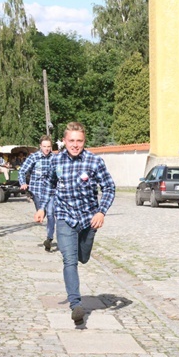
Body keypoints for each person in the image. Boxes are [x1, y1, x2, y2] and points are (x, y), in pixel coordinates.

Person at [34, 122, 115, 326]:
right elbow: (49, 185)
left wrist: (101, 211)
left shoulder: (94, 161)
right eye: (71, 140)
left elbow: (109, 188)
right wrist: (42, 207)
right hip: (65, 217)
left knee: (83, 257)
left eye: (79, 141)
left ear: (84, 141)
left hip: (88, 219)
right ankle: (75, 305)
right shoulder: (56, 161)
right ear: (64, 141)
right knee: (69, 260)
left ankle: (82, 252)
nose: (75, 145)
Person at [19, 136, 56, 251]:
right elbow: (22, 171)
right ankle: (40, 213)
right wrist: (23, 182)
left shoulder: (55, 158)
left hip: (50, 191)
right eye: (44, 146)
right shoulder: (33, 157)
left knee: (51, 213)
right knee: (42, 213)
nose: (46, 149)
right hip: (37, 191)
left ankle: (49, 239)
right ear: (40, 146)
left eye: (49, 146)